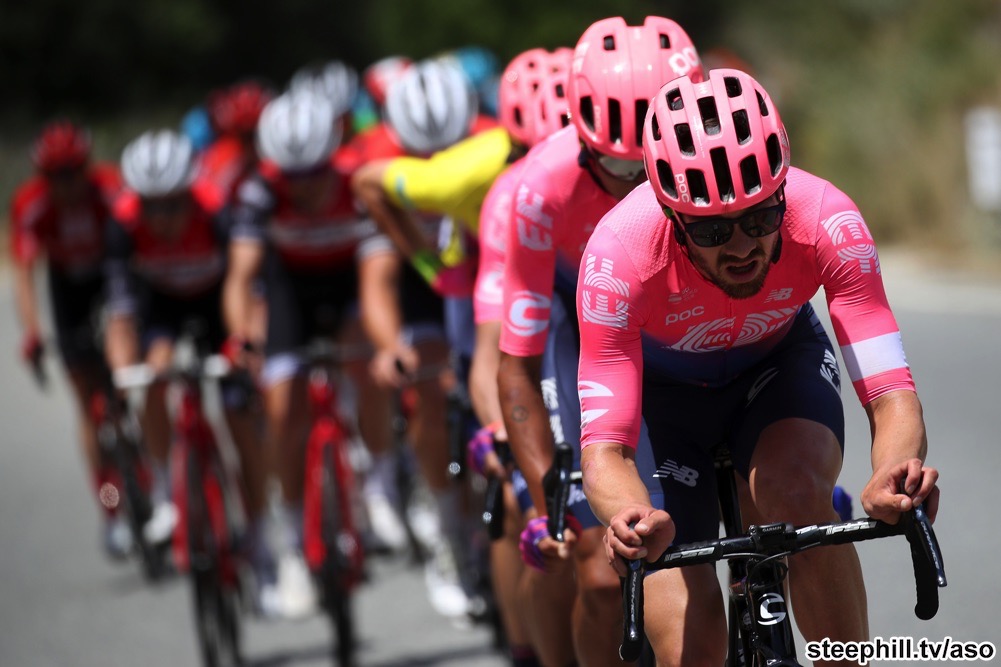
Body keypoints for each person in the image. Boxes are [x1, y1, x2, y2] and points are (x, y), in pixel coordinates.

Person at [577, 68, 939, 667]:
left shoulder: (827, 218)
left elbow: (890, 391)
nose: (743, 246)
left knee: (795, 492)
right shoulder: (618, 257)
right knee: (692, 648)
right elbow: (606, 451)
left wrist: (893, 473)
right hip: (664, 405)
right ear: (671, 215)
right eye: (712, 230)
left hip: (776, 370)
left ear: (782, 194)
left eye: (761, 219)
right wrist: (628, 516)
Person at [495, 16, 704, 666]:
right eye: (618, 165)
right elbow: (517, 363)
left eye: (655, 163)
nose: (642, 186)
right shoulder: (541, 188)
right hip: (579, 333)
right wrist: (546, 507)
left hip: (674, 327)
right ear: (583, 141)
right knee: (597, 570)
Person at [223, 88, 408, 619]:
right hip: (290, 294)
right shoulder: (259, 191)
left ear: (333, 155)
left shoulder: (357, 183)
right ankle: (290, 544)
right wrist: (242, 340)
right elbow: (241, 277)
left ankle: (380, 485)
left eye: (314, 173)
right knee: (283, 409)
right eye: (292, 176)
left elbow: (376, 282)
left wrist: (388, 346)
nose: (303, 186)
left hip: (350, 287)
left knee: (366, 364)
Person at [103, 129, 271, 608]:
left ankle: (260, 538)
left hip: (220, 304)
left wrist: (247, 347)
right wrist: (122, 376)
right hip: (163, 307)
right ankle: (165, 490)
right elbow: (120, 314)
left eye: (173, 205)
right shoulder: (122, 223)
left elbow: (247, 287)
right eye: (151, 207)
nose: (161, 218)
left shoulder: (217, 209)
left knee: (240, 417)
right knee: (151, 378)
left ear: (190, 194)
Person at [470, 46, 576, 667]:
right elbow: (493, 351)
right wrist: (499, 431)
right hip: (511, 325)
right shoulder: (509, 195)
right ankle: (526, 650)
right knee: (520, 498)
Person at [10, 121, 126, 558]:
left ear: (87, 166)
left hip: (111, 278)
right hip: (68, 291)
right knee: (88, 407)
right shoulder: (31, 205)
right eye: (55, 176)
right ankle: (112, 510)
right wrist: (32, 333)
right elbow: (24, 275)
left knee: (126, 382)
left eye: (74, 171)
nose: (66, 184)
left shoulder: (110, 187)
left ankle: (151, 475)